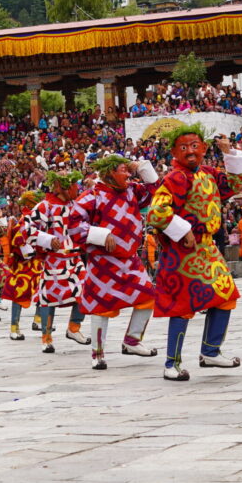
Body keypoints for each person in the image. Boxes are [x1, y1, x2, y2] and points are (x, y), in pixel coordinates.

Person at [147, 125, 242, 381]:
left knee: (225, 296)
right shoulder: (175, 178)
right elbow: (157, 212)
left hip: (207, 249)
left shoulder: (208, 173)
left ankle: (211, 351)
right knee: (183, 306)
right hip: (183, 251)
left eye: (194, 146)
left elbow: (233, 185)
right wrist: (182, 229)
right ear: (173, 152)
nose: (190, 152)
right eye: (183, 148)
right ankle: (172, 363)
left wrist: (230, 153)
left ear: (203, 149)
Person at [69, 154, 159, 370]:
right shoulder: (92, 196)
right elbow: (73, 225)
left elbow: (156, 189)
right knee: (101, 308)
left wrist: (141, 167)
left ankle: (132, 340)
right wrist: (99, 234)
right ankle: (97, 354)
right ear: (110, 172)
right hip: (103, 261)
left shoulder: (132, 191)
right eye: (123, 170)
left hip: (130, 258)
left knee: (147, 298)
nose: (128, 175)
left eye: (129, 171)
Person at [23, 170, 90, 353]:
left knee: (85, 291)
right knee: (48, 299)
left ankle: (74, 328)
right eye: (74, 185)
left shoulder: (76, 205)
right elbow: (26, 229)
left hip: (75, 258)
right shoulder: (45, 206)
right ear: (63, 187)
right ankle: (46, 337)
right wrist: (47, 240)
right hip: (54, 259)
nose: (78, 188)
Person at [1, 191, 45, 340]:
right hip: (25, 265)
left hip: (37, 264)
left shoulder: (36, 217)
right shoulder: (25, 218)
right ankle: (14, 328)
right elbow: (18, 237)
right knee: (19, 294)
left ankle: (39, 321)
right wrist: (30, 253)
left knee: (42, 291)